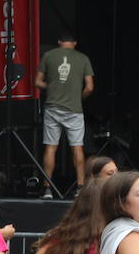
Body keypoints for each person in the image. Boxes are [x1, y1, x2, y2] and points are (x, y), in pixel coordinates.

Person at [36, 31, 95, 190]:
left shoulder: (48, 56)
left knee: (50, 147)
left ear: (59, 41)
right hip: (74, 109)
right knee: (77, 147)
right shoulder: (83, 58)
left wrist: (52, 88)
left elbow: (37, 82)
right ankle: (80, 187)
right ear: (75, 43)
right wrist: (78, 97)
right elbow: (89, 87)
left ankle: (47, 187)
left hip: (53, 107)